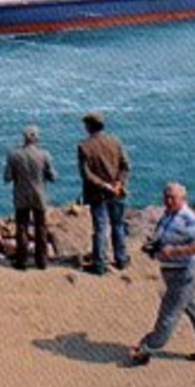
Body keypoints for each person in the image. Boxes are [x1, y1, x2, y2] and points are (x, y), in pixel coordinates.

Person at [131, 182, 195, 365]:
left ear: (183, 199)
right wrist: (155, 247)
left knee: (168, 315)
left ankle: (146, 347)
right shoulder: (169, 214)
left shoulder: (189, 218)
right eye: (166, 197)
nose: (168, 201)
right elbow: (164, 237)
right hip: (173, 273)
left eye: (173, 197)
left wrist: (174, 251)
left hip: (184, 274)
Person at [76, 112, 131, 275]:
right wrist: (119, 183)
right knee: (118, 225)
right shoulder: (115, 141)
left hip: (98, 194)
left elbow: (86, 174)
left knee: (100, 228)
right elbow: (125, 166)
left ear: (89, 127)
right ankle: (121, 259)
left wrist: (105, 185)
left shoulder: (84, 147)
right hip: (117, 191)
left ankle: (99, 263)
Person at [3, 125, 58, 270]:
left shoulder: (14, 155)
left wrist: (17, 175)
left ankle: (21, 261)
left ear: (24, 138)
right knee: (41, 227)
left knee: (21, 227)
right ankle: (42, 261)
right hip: (39, 195)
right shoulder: (44, 155)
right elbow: (53, 176)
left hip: (21, 195)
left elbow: (7, 177)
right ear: (37, 138)